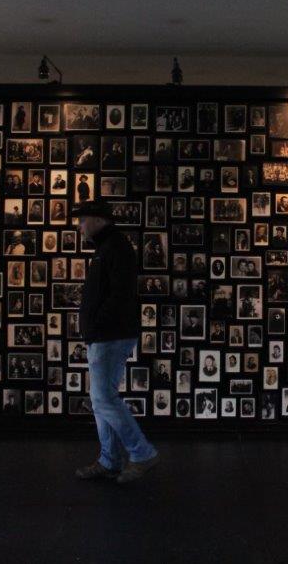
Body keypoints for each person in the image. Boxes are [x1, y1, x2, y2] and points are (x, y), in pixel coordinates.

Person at [72, 200, 159, 484]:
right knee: (100, 402)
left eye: (83, 220)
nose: (80, 225)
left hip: (110, 335)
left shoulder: (115, 248)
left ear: (98, 220)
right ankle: (109, 460)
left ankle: (141, 453)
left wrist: (96, 322)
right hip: (104, 335)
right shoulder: (108, 247)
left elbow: (120, 296)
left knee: (103, 399)